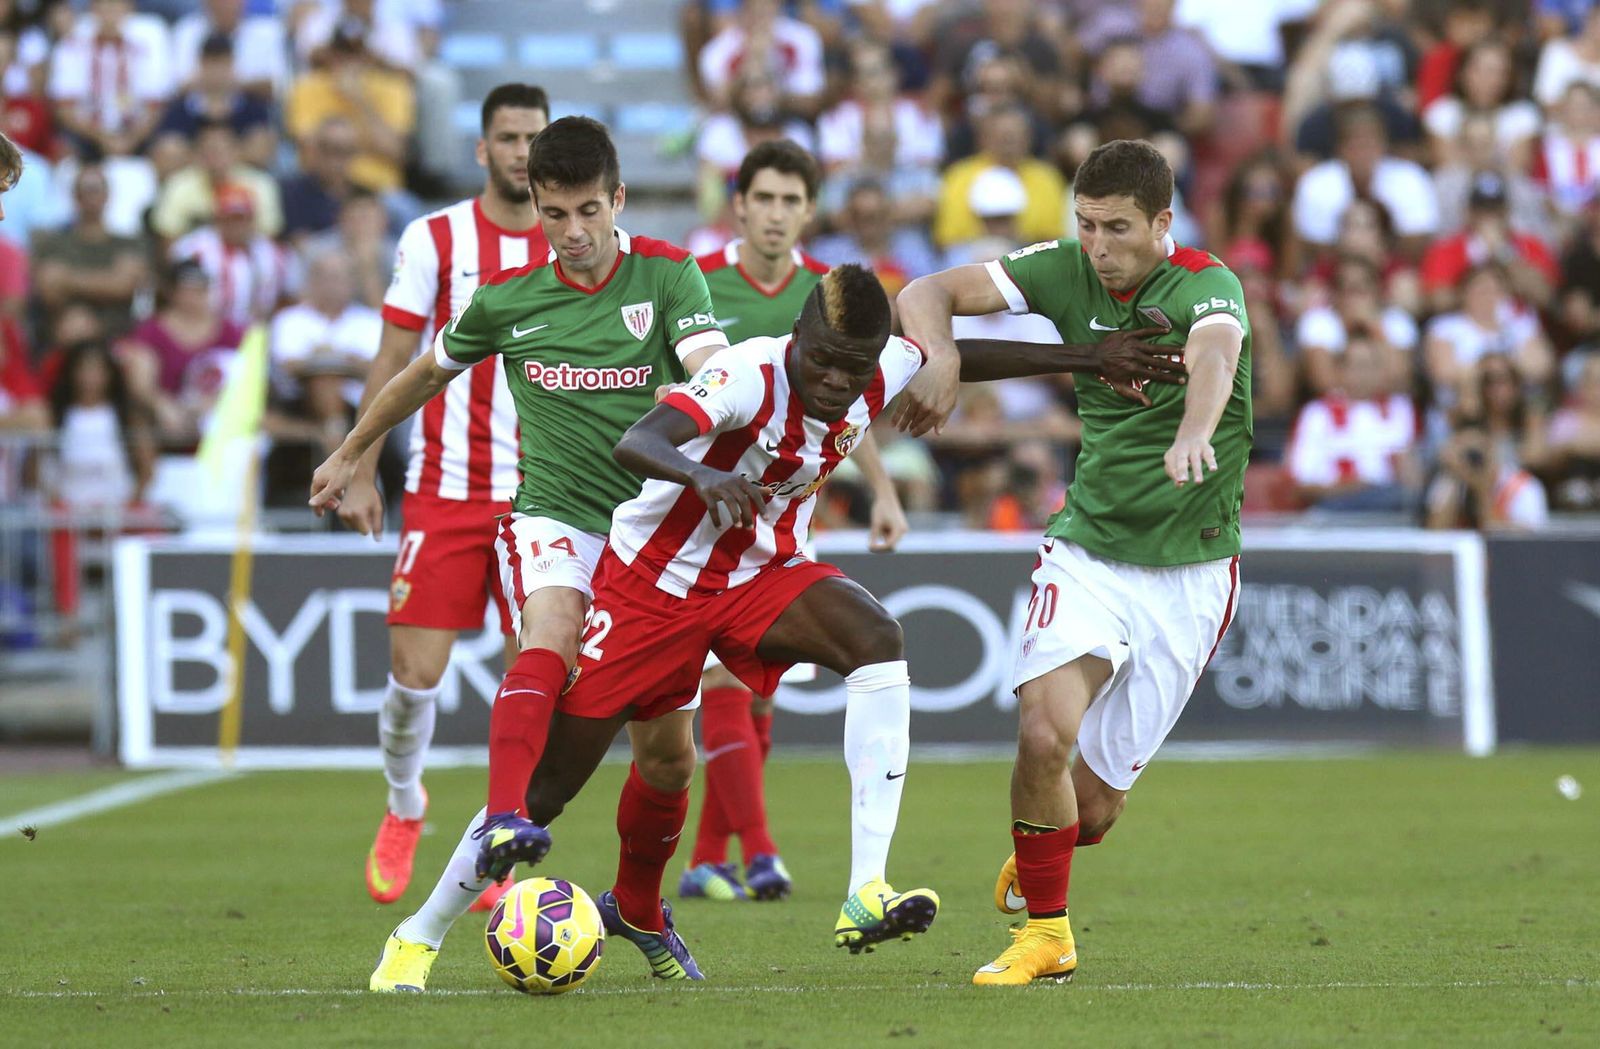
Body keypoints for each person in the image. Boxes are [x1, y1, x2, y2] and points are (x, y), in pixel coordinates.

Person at [501, 263, 1184, 980]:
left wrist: (1087, 357)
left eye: (852, 367)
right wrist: (702, 475)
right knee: (551, 788)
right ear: (798, 336)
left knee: (866, 642)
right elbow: (641, 438)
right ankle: (432, 923)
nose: (836, 379)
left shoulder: (873, 363)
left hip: (757, 572)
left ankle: (859, 889)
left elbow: (955, 355)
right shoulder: (747, 370)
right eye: (823, 360)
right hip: (654, 581)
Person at [308, 115, 732, 993]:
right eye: (554, 213)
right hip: (555, 518)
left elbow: (713, 362)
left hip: (657, 540)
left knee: (668, 757)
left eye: (589, 211)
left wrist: (699, 392)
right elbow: (423, 374)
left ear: (618, 199)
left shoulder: (667, 272)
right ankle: (435, 913)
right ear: (534, 206)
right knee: (551, 629)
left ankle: (639, 905)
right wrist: (352, 451)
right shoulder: (505, 298)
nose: (573, 232)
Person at [896, 138, 1252, 985]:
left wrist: (1195, 430)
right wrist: (942, 354)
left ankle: (1048, 846)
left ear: (1162, 223)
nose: (1098, 246)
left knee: (1091, 811)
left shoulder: (1206, 283)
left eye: (1117, 228)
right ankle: (1048, 935)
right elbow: (924, 291)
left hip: (1192, 571)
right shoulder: (1063, 268)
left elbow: (1215, 353)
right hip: (1089, 548)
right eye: (1087, 225)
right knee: (1042, 731)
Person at [330, 83, 552, 912]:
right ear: (482, 149)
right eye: (508, 138)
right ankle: (405, 804)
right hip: (445, 487)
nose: (522, 152)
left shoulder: (577, 240)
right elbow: (394, 355)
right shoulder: (435, 236)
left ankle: (497, 836)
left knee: (535, 675)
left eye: (534, 137)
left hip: (544, 495)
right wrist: (360, 464)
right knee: (412, 676)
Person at [680, 139, 908, 904]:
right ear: (738, 206)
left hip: (784, 518)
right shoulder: (697, 283)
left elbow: (851, 405)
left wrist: (883, 490)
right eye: (764, 199)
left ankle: (707, 857)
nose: (776, 214)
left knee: (758, 692)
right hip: (704, 514)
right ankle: (762, 852)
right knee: (722, 678)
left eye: (791, 201)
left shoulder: (830, 296)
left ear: (810, 211)